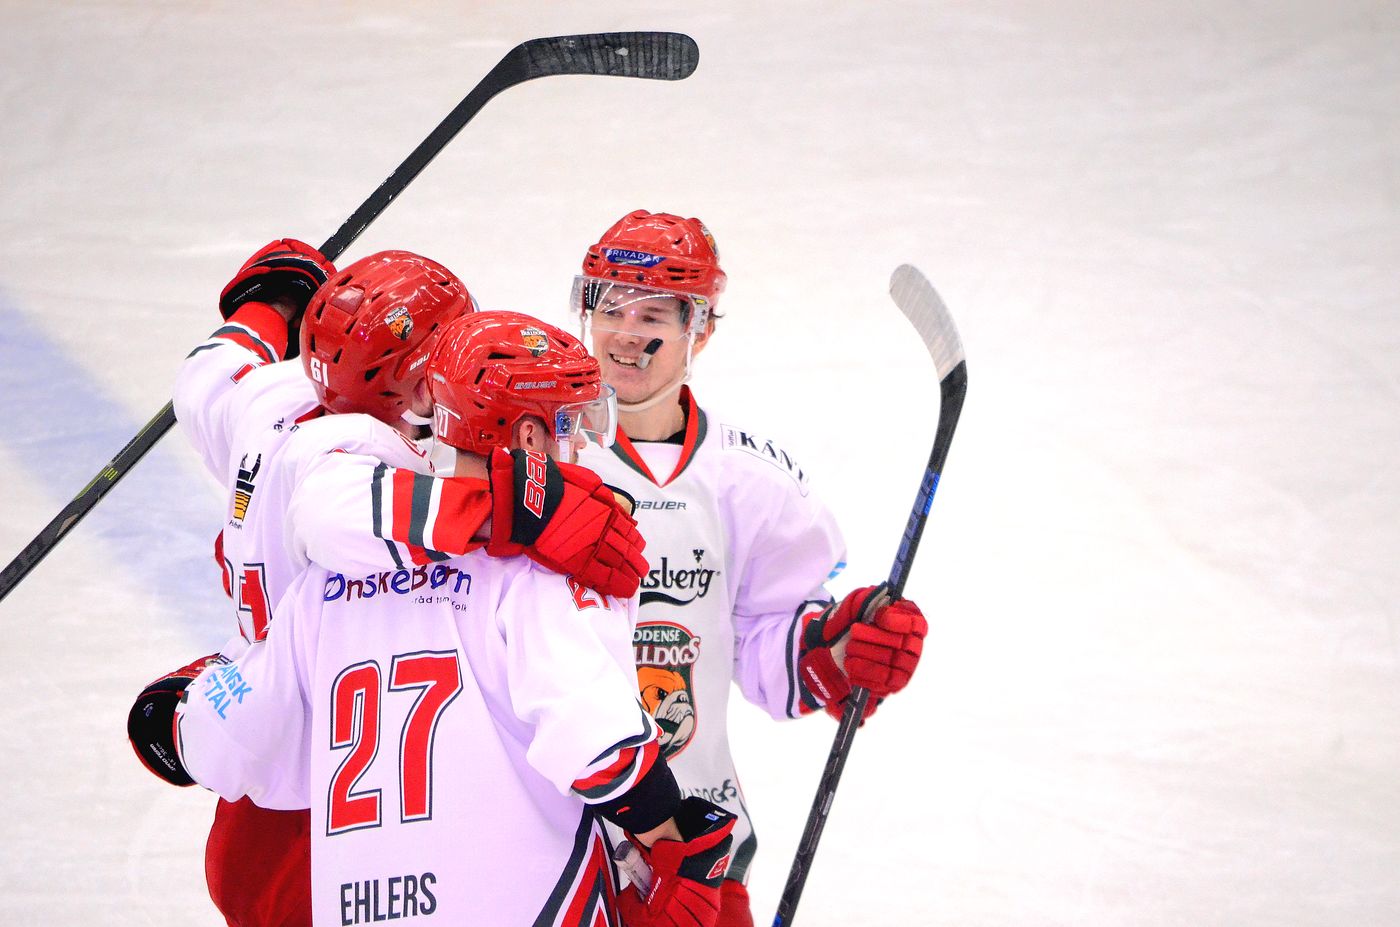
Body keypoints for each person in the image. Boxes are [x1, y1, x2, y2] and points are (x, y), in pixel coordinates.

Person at [131, 312, 736, 927]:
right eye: (571, 423)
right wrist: (673, 846)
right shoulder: (544, 572)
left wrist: (180, 710)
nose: (580, 445)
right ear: (530, 438)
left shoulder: (323, 584)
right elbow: (600, 749)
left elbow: (234, 735)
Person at [569, 210, 931, 926]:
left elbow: (771, 646)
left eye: (652, 314)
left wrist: (842, 649)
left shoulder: (747, 479)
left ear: (700, 329)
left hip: (691, 847)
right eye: (609, 307)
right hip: (552, 844)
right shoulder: (538, 460)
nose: (624, 333)